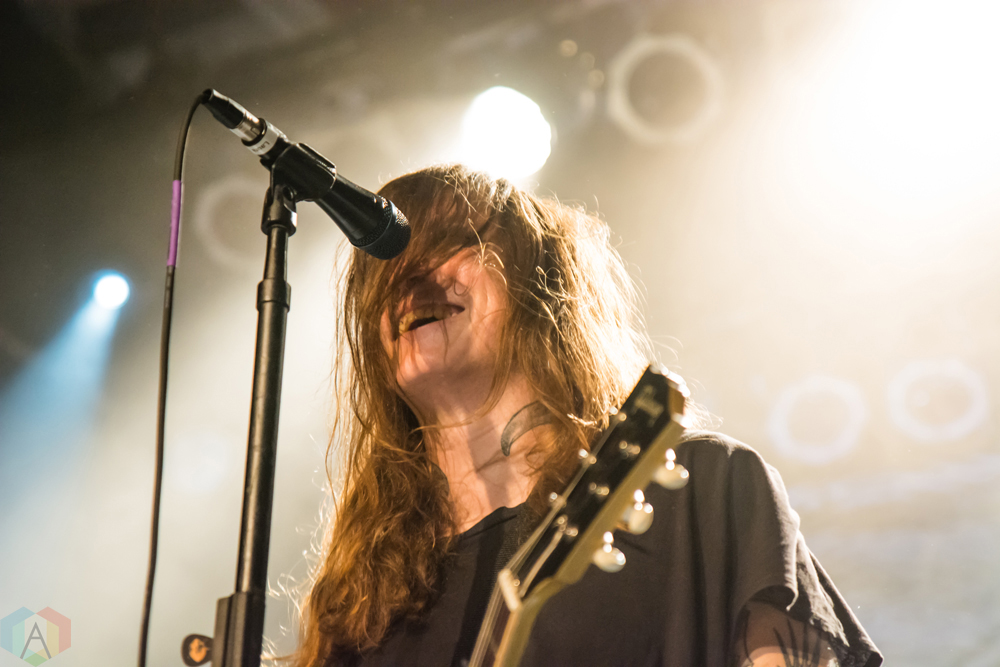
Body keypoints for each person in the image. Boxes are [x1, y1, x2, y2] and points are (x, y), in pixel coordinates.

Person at [289, 165, 882, 667]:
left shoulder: (702, 486)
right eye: (384, 261)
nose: (410, 275)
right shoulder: (359, 596)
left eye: (448, 243)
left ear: (536, 276)